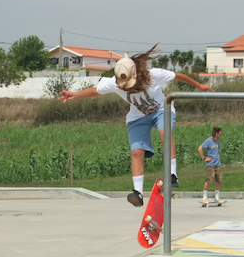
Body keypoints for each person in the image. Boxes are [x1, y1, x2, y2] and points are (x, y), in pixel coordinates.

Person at [59, 47, 212, 206]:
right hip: (137, 117)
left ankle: (172, 175)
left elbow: (178, 76)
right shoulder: (114, 82)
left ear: (137, 74)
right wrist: (75, 94)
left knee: (165, 133)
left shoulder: (154, 75)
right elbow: (96, 91)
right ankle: (138, 193)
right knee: (137, 152)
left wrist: (199, 85)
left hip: (161, 110)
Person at [198, 126, 224, 205]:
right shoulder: (208, 141)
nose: (221, 135)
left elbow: (217, 150)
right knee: (209, 180)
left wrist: (218, 155)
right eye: (220, 133)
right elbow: (200, 148)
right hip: (210, 164)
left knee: (219, 180)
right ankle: (205, 197)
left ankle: (216, 197)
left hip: (217, 164)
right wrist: (204, 158)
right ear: (216, 133)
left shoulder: (217, 141)